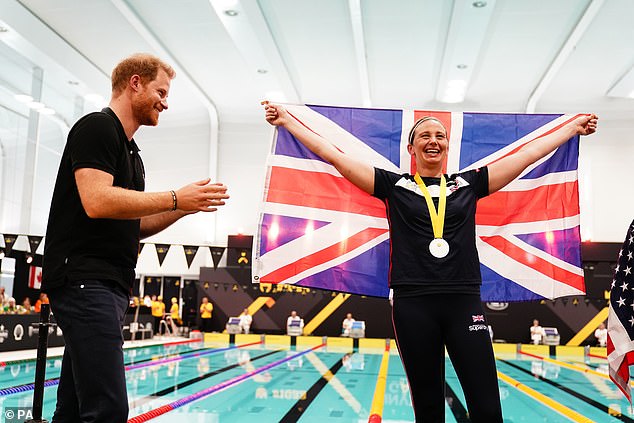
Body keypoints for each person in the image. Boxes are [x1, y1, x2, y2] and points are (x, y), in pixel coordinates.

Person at [264, 102, 597, 422]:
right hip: (413, 303)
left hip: (464, 301)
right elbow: (336, 156)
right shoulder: (395, 186)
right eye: (424, 136)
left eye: (439, 136)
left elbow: (526, 156)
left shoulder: (469, 184)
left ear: (447, 147)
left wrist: (570, 129)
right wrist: (288, 122)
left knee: (486, 405)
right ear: (412, 149)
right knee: (428, 408)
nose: (433, 141)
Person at [41, 53, 229, 423]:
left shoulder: (132, 154)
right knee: (109, 409)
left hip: (108, 284)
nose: (165, 101)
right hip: (84, 280)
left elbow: (135, 224)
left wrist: (184, 207)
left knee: (75, 408)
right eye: (161, 90)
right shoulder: (96, 127)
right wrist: (175, 196)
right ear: (135, 83)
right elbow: (96, 201)